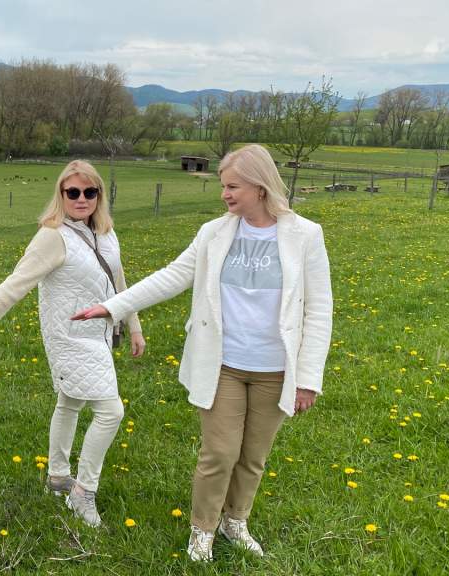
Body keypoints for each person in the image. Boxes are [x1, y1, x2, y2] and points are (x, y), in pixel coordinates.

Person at [73, 144, 332, 561]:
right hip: (223, 365)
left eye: (233, 186)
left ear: (260, 186)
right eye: (223, 186)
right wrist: (115, 306)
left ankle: (236, 521)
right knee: (220, 453)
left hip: (275, 369)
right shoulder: (215, 233)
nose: (225, 195)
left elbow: (320, 310)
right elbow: (173, 276)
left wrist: (307, 378)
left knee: (252, 458)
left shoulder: (305, 235)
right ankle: (203, 530)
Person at [0, 159, 146, 527]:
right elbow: (18, 280)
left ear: (99, 195)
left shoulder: (106, 233)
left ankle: (58, 476)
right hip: (68, 337)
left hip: (97, 335)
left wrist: (134, 326)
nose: (82, 199)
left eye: (89, 192)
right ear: (61, 195)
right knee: (111, 412)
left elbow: (120, 283)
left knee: (70, 401)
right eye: (73, 192)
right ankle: (83, 493)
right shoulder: (52, 235)